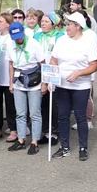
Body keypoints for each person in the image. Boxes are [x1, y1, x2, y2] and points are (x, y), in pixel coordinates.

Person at [50, 12, 97, 161]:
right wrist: (51, 77)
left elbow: (94, 66)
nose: (67, 27)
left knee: (80, 117)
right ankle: (64, 147)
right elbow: (53, 60)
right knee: (63, 116)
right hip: (62, 85)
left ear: (78, 26)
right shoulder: (62, 40)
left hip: (81, 86)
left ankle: (83, 147)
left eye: (69, 24)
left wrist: (79, 73)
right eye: (67, 24)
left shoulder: (87, 42)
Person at [7, 22, 44, 155]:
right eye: (15, 37)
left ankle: (35, 141)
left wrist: (44, 83)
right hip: (19, 80)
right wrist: (11, 82)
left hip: (34, 80)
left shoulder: (34, 44)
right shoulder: (10, 44)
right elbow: (11, 64)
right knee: (20, 113)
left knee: (34, 113)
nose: (18, 39)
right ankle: (21, 139)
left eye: (20, 36)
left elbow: (42, 63)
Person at [34, 11, 64, 144]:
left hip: (53, 72)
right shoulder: (37, 36)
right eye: (42, 22)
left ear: (53, 23)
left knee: (55, 104)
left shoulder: (60, 36)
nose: (43, 24)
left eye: (46, 22)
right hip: (39, 71)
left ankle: (56, 131)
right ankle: (46, 131)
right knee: (43, 103)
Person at [0, 13, 17, 142]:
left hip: (8, 77)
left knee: (10, 105)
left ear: (8, 24)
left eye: (0, 21)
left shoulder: (12, 38)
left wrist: (11, 80)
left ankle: (13, 129)